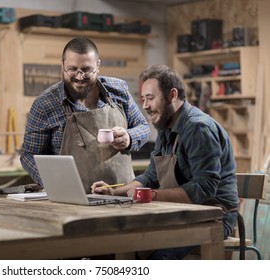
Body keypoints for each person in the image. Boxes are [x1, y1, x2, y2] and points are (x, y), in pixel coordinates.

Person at [92, 64, 239, 259]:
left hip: (215, 217)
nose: (145, 106)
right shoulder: (165, 129)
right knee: (112, 248)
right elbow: (151, 176)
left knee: (156, 259)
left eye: (150, 98)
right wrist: (113, 191)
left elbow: (205, 187)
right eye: (143, 99)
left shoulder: (198, 128)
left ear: (172, 95)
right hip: (183, 212)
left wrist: (152, 195)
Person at [20, 37, 151, 192]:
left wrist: (129, 138)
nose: (80, 76)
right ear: (62, 65)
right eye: (72, 69)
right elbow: (29, 155)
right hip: (72, 198)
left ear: (98, 65)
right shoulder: (45, 104)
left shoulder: (118, 91)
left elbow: (144, 128)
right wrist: (54, 181)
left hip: (122, 195)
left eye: (86, 69)